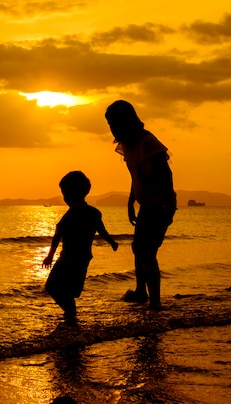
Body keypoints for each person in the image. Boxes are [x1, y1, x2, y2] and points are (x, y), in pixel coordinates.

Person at [104, 100, 176, 310]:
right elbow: (136, 176)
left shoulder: (147, 142)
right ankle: (140, 291)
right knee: (139, 249)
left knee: (147, 251)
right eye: (109, 124)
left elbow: (166, 173)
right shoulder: (128, 144)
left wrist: (168, 205)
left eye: (114, 122)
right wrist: (130, 200)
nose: (112, 127)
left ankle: (154, 301)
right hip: (146, 203)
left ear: (126, 121)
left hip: (160, 203)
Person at [42, 171, 119, 323]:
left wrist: (50, 255)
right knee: (70, 289)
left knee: (52, 287)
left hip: (68, 258)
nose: (64, 198)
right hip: (83, 258)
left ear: (70, 194)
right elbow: (102, 231)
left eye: (64, 193)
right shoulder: (94, 212)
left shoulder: (73, 212)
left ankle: (70, 313)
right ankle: (71, 313)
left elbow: (58, 233)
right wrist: (112, 242)